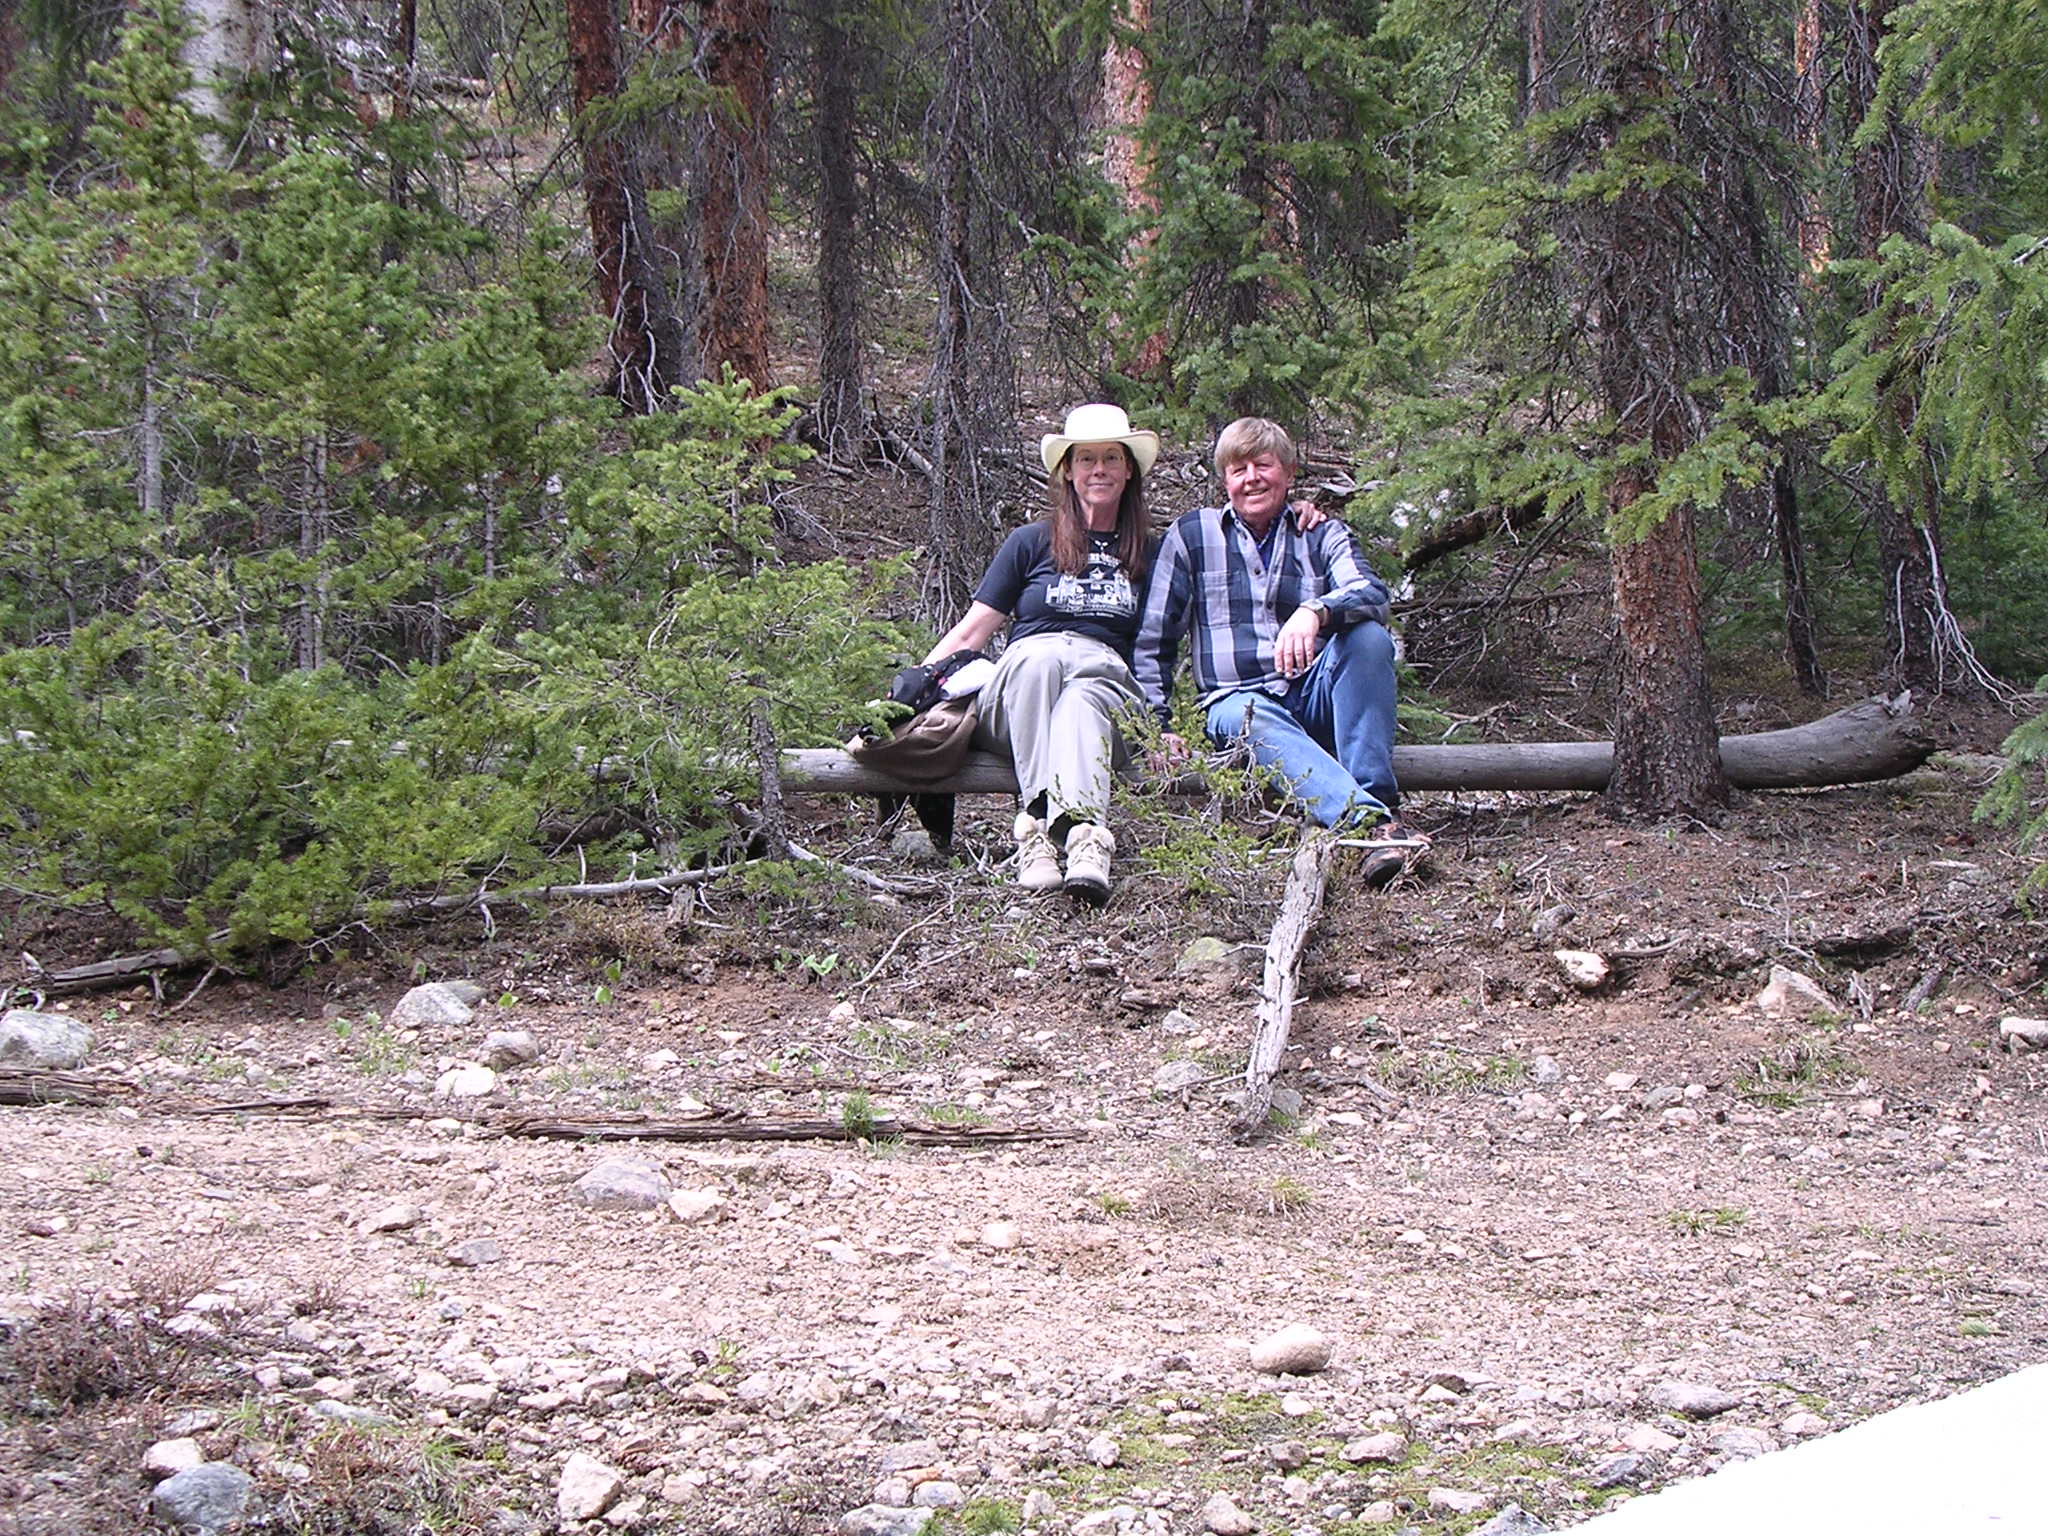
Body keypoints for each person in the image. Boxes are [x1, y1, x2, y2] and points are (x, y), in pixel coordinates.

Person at [1133, 416, 1425, 885]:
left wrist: (1316, 611)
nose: (1251, 478)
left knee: (1370, 638)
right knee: (1249, 712)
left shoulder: (1321, 533)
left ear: (1288, 474)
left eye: (1263, 465)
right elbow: (1153, 640)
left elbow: (1371, 592)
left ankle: (1374, 797)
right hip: (1236, 705)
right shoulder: (1192, 536)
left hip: (1313, 694)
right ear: (1225, 480)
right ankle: (1371, 826)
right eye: (1238, 469)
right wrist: (1158, 726)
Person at [921, 403, 1160, 904]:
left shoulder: (1152, 553)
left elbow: (1164, 644)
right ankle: (1051, 838)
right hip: (1020, 701)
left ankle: (1078, 843)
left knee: (1083, 695)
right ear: (1067, 471)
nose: (1099, 470)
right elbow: (972, 633)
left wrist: (1168, 721)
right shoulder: (1030, 542)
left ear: (1128, 469)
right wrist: (911, 689)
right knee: (1041, 659)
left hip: (1108, 701)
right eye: (1086, 459)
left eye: (1111, 458)